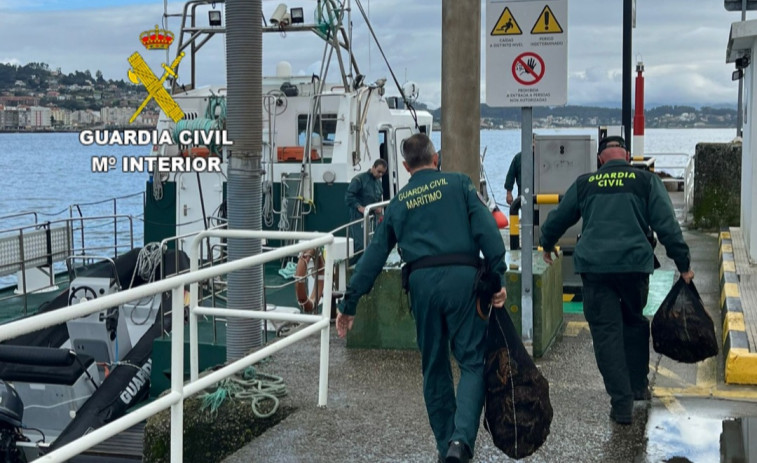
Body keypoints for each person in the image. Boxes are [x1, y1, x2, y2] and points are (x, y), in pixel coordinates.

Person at [336, 133, 507, 463]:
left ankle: (446, 447)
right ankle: (461, 441)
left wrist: (349, 302)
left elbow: (373, 256)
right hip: (464, 282)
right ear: (435, 158)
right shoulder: (460, 184)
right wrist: (497, 277)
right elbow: (488, 231)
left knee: (434, 367)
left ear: (404, 165)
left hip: (422, 285)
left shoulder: (398, 202)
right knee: (472, 362)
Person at [538, 135, 694, 425]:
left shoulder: (586, 184)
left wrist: (546, 244)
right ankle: (638, 387)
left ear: (600, 159)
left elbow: (559, 217)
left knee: (607, 333)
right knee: (634, 323)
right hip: (634, 267)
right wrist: (683, 265)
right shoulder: (646, 182)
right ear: (627, 156)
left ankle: (621, 403)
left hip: (596, 270)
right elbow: (668, 226)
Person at [344, 159, 387, 257]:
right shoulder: (359, 179)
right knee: (360, 244)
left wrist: (379, 208)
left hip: (372, 218)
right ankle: (350, 266)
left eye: (383, 173)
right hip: (358, 217)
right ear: (373, 167)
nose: (380, 174)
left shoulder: (378, 184)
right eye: (379, 171)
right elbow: (348, 196)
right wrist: (359, 207)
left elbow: (379, 197)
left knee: (372, 243)